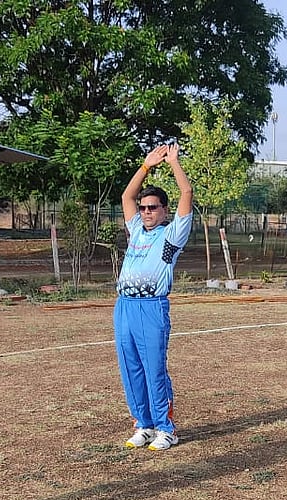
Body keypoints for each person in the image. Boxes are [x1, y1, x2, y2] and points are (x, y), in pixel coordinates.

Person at [116, 144, 193, 451]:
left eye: (153, 208)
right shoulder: (136, 231)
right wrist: (146, 166)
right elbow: (126, 197)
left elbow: (186, 195)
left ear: (164, 210)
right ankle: (143, 424)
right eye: (144, 207)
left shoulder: (171, 235)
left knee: (153, 368)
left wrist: (173, 163)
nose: (146, 212)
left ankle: (166, 428)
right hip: (125, 306)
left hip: (151, 307)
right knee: (130, 367)